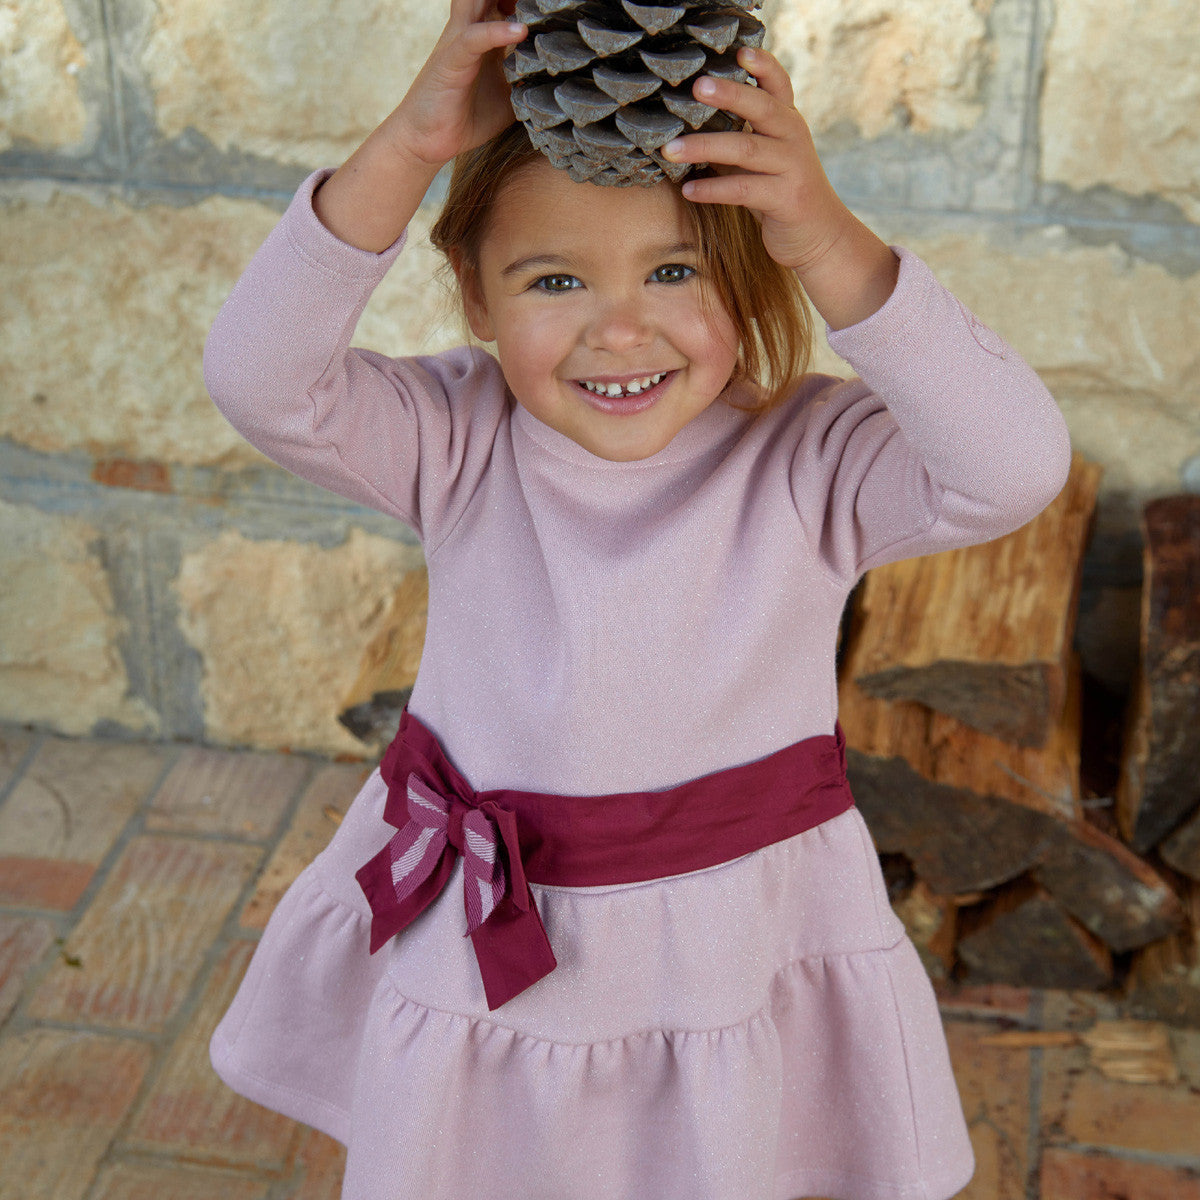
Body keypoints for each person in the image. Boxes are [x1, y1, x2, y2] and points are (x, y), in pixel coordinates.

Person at [203, 2, 1071, 1197]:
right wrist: (409, 144)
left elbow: (1014, 465)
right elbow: (255, 376)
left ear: (751, 265)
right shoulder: (456, 439)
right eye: (553, 278)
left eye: (673, 270)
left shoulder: (808, 459)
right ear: (474, 297)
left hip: (724, 958)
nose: (620, 329)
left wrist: (831, 240)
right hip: (493, 947)